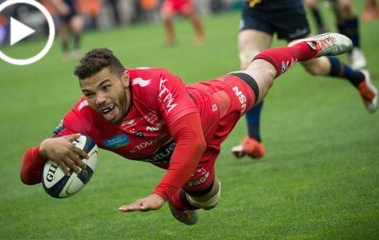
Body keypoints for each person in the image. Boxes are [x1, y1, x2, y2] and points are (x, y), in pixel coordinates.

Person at [21, 33, 360, 225]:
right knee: (209, 200)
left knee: (263, 76)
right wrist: (43, 149)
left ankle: (307, 46)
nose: (99, 99)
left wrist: (160, 193)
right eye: (89, 93)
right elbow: (29, 175)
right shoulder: (83, 120)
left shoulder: (156, 83)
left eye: (106, 87)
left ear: (125, 78)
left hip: (210, 109)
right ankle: (185, 198)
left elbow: (192, 138)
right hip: (186, 155)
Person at [231, 0, 378, 160]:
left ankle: (358, 78)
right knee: (248, 66)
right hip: (255, 9)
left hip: (286, 7)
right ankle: (254, 139)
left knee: (315, 65)